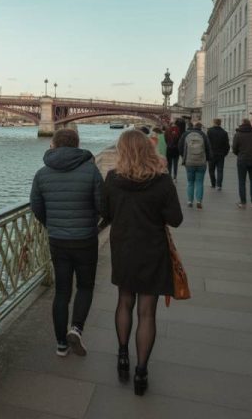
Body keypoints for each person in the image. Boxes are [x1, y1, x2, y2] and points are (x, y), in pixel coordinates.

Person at [101, 130, 183, 396]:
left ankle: (123, 355)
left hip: (124, 246)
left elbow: (105, 213)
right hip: (152, 249)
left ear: (122, 151)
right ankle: (141, 371)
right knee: (147, 311)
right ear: (149, 149)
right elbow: (176, 219)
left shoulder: (113, 179)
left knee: (124, 300)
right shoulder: (161, 181)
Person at [30, 128, 103, 357]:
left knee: (62, 291)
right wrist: (92, 221)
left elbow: (36, 207)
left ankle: (61, 344)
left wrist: (51, 224)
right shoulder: (90, 170)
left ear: (54, 144)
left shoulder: (42, 174)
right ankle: (76, 329)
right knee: (85, 286)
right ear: (77, 144)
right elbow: (102, 206)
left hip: (57, 239)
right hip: (85, 239)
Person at [178, 122, 212, 209]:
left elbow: (180, 147)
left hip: (189, 163)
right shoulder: (203, 135)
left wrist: (184, 157)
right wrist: (207, 159)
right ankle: (199, 201)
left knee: (190, 182)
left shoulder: (186, 134)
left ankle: (189, 201)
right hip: (201, 162)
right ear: (200, 128)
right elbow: (208, 148)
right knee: (200, 182)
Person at [233, 118, 252, 208]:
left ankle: (243, 202)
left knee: (242, 182)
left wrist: (240, 154)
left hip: (242, 160)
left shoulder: (238, 134)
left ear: (242, 124)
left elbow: (234, 149)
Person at [206, 118, 230, 190]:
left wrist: (207, 152)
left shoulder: (209, 131)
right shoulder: (224, 132)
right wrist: (225, 153)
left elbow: (207, 143)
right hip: (221, 154)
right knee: (220, 170)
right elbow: (227, 145)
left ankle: (213, 183)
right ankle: (219, 185)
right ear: (220, 123)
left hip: (211, 154)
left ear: (214, 122)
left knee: (211, 170)